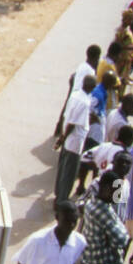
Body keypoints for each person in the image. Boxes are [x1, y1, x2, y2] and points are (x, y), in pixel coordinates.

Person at [54, 70, 97, 202]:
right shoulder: (84, 102)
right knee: (69, 173)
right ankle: (62, 199)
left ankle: (58, 194)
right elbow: (72, 123)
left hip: (69, 140)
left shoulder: (76, 95)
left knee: (63, 168)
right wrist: (63, 138)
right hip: (74, 141)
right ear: (91, 87)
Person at [113, 10, 133, 82]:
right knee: (120, 79)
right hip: (122, 59)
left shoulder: (127, 29)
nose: (132, 21)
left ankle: (127, 77)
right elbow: (117, 45)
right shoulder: (121, 31)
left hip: (128, 58)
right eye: (130, 19)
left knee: (125, 77)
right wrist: (129, 47)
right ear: (125, 19)